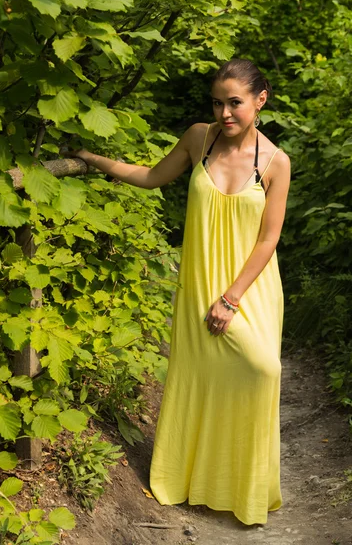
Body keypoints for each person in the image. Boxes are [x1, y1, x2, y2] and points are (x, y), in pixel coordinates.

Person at [66, 58, 291, 526]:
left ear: (259, 101)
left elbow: (269, 239)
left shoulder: (274, 162)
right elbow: (150, 176)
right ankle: (194, 481)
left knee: (263, 370)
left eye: (235, 103)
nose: (225, 112)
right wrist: (92, 160)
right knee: (201, 377)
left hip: (250, 288)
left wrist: (231, 299)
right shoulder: (199, 138)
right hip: (199, 282)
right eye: (217, 102)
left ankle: (245, 490)